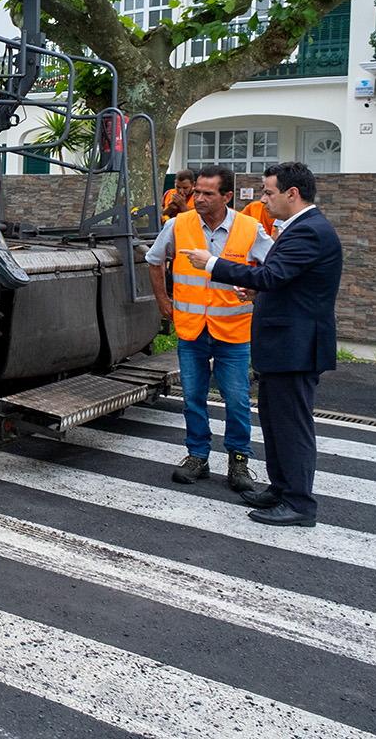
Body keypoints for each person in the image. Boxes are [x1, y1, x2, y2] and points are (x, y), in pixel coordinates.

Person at [182, 161, 342, 527]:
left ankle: (299, 504)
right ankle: (281, 489)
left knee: (291, 427)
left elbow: (272, 273)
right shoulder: (299, 228)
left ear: (292, 194)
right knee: (274, 423)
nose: (263, 199)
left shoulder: (310, 231)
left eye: (269, 192)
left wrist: (213, 264)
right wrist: (257, 290)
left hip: (296, 349)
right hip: (283, 347)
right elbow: (284, 281)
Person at [146, 165, 273, 491]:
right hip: (191, 329)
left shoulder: (249, 228)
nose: (197, 198)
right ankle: (197, 456)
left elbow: (275, 267)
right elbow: (153, 259)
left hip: (232, 331)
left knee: (236, 398)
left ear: (227, 196)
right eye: (196, 192)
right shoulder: (178, 224)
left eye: (207, 193)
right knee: (193, 397)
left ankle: (238, 460)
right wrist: (163, 300)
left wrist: (256, 288)